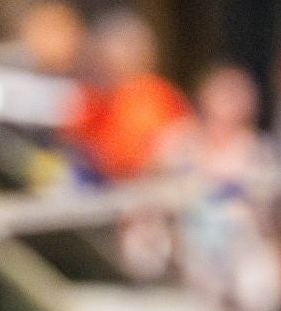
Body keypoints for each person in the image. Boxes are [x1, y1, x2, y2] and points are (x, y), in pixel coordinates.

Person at [160, 63, 281, 311]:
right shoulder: (181, 139)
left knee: (259, 280)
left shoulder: (258, 152)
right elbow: (157, 188)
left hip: (238, 243)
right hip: (188, 235)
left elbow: (267, 209)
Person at [68, 10, 194, 182]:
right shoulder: (88, 99)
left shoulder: (158, 96)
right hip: (101, 190)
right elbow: (75, 148)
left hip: (147, 190)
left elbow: (181, 145)